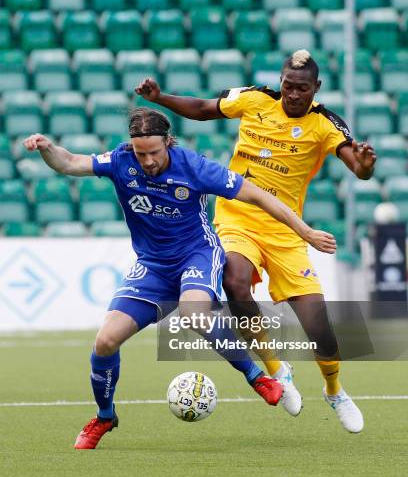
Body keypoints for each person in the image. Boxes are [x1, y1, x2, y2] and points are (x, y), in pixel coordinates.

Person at [23, 108, 336, 450]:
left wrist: (304, 231)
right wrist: (46, 148)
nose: (148, 161)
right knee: (105, 341)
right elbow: (69, 163)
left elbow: (259, 195)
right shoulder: (120, 160)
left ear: (168, 142)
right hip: (154, 266)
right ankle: (105, 416)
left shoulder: (195, 167)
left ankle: (257, 377)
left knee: (193, 313)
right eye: (141, 153)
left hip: (197, 254)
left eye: (154, 153)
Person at [136, 49, 377, 434]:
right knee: (234, 280)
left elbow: (358, 167)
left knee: (319, 328)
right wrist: (160, 98)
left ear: (316, 89)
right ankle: (276, 368)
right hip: (237, 217)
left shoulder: (325, 124)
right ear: (280, 84)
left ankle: (334, 391)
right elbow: (201, 108)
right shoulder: (256, 99)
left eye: (301, 89)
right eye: (287, 87)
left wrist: (365, 166)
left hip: (286, 231)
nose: (293, 95)